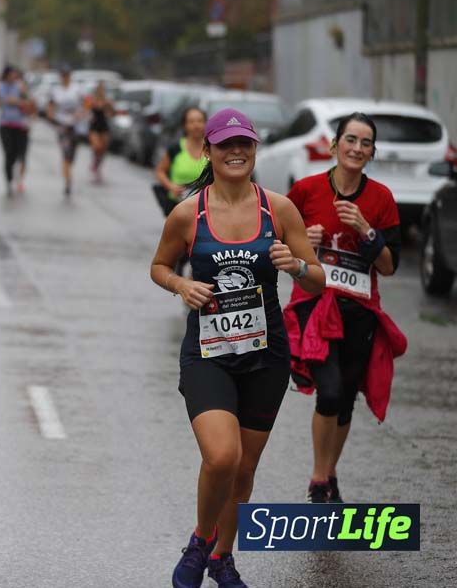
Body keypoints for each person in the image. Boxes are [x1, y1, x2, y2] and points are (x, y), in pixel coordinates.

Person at [150, 108, 324, 588]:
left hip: (265, 354)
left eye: (244, 144)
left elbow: (318, 276)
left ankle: (223, 559)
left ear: (254, 150)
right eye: (225, 144)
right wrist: (181, 288)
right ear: (208, 150)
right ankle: (200, 541)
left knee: (245, 468)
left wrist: (295, 265)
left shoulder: (279, 208)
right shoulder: (189, 213)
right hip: (208, 353)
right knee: (222, 457)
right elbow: (159, 267)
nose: (236, 152)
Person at [282, 113, 408, 504]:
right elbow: (277, 246)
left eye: (365, 143)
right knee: (330, 389)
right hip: (315, 305)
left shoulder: (381, 199)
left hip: (360, 311)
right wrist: (304, 239)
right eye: (350, 140)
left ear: (372, 153)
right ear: (334, 146)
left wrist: (367, 231)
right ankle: (319, 480)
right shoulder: (305, 191)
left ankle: (329, 472)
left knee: (347, 393)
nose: (357, 148)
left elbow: (388, 266)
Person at [154, 107, 210, 274]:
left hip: (204, 205)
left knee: (200, 240)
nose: (196, 125)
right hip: (177, 204)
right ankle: (179, 264)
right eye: (191, 121)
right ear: (185, 126)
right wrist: (171, 186)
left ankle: (195, 271)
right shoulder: (175, 149)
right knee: (184, 240)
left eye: (200, 121)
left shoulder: (212, 149)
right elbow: (160, 171)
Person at [0, 65, 34, 196]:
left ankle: (19, 180)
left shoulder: (20, 86)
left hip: (21, 125)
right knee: (9, 154)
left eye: (15, 75)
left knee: (22, 154)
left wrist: (19, 100)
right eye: (11, 74)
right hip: (5, 125)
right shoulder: (0, 86)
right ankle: (9, 180)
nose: (14, 77)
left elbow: (28, 102)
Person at [46, 66, 85, 196]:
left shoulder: (77, 89)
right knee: (66, 155)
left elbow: (86, 104)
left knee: (72, 156)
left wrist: (80, 114)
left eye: (66, 75)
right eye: (63, 75)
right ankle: (68, 182)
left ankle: (68, 172)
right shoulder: (56, 90)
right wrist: (52, 118)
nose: (64, 78)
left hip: (75, 126)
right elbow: (50, 107)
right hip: (62, 126)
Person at [87, 82, 114, 183]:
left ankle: (97, 167)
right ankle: (94, 165)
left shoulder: (107, 101)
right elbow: (86, 110)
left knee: (103, 149)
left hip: (103, 126)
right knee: (96, 147)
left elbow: (111, 113)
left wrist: (109, 106)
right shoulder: (91, 100)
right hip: (94, 126)